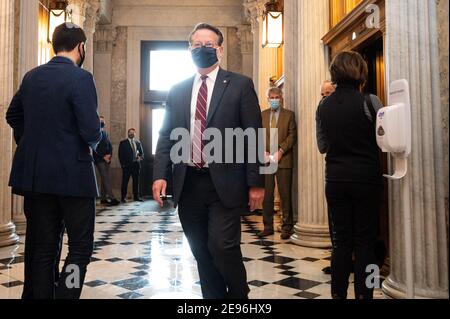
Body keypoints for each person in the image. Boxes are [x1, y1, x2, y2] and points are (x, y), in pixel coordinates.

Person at [152, 23, 265, 299]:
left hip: (225, 184)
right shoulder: (177, 90)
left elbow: (253, 135)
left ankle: (239, 295)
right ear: (189, 49)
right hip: (188, 183)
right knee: (201, 250)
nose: (202, 49)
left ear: (220, 50)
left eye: (209, 45)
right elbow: (166, 135)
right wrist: (160, 174)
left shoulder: (240, 85)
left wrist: (256, 183)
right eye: (196, 45)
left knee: (222, 246)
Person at [6, 22, 101, 299]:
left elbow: (12, 115)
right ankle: (67, 296)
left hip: (35, 176)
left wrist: (32, 144)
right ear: (81, 47)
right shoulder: (81, 78)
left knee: (43, 247)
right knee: (80, 247)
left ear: (53, 45)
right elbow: (90, 130)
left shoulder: (32, 76)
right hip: (74, 177)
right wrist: (92, 143)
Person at [316, 51, 383, 299]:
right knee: (366, 240)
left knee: (341, 242)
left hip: (335, 179)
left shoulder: (323, 105)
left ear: (335, 74)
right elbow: (385, 140)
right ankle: (365, 295)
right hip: (366, 178)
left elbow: (322, 146)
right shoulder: (370, 102)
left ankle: (338, 295)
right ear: (361, 72)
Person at [259, 87, 297, 240]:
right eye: (272, 97)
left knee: (285, 194)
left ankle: (287, 226)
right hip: (267, 160)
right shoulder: (262, 115)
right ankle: (268, 226)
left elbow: (292, 136)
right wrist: (263, 152)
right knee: (267, 194)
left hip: (284, 159)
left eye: (277, 97)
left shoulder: (289, 115)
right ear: (268, 98)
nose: (274, 99)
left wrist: (280, 151)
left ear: (281, 98)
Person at [318, 80, 336, 275]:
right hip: (334, 174)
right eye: (323, 95)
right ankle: (339, 262)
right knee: (335, 224)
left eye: (329, 93)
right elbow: (321, 145)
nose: (325, 98)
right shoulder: (321, 111)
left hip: (361, 175)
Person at [94, 116, 119, 206]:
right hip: (99, 159)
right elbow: (94, 148)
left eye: (103, 121)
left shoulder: (105, 133)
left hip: (107, 159)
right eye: (100, 121)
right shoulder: (95, 133)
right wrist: (103, 157)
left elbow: (109, 145)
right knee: (105, 178)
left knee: (104, 179)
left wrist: (110, 155)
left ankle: (103, 198)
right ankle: (112, 198)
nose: (102, 122)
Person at [119, 128, 144, 202]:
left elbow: (142, 154)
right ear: (128, 133)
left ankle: (136, 197)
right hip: (126, 166)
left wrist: (140, 157)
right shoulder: (123, 143)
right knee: (125, 182)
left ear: (135, 134)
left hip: (136, 165)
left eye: (133, 133)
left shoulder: (138, 143)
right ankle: (123, 197)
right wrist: (123, 165)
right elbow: (120, 155)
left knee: (136, 182)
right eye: (130, 133)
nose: (132, 134)